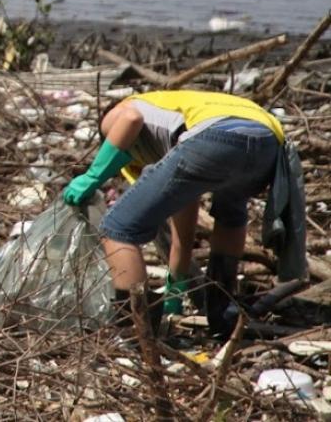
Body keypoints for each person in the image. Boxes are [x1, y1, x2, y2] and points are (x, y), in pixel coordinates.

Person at [62, 90, 305, 337]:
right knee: (230, 218)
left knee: (118, 229)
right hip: (267, 144)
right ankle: (222, 315)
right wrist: (176, 286)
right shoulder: (181, 111)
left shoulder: (125, 109)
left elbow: (130, 119)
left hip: (215, 137)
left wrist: (93, 175)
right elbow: (183, 235)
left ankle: (135, 333)